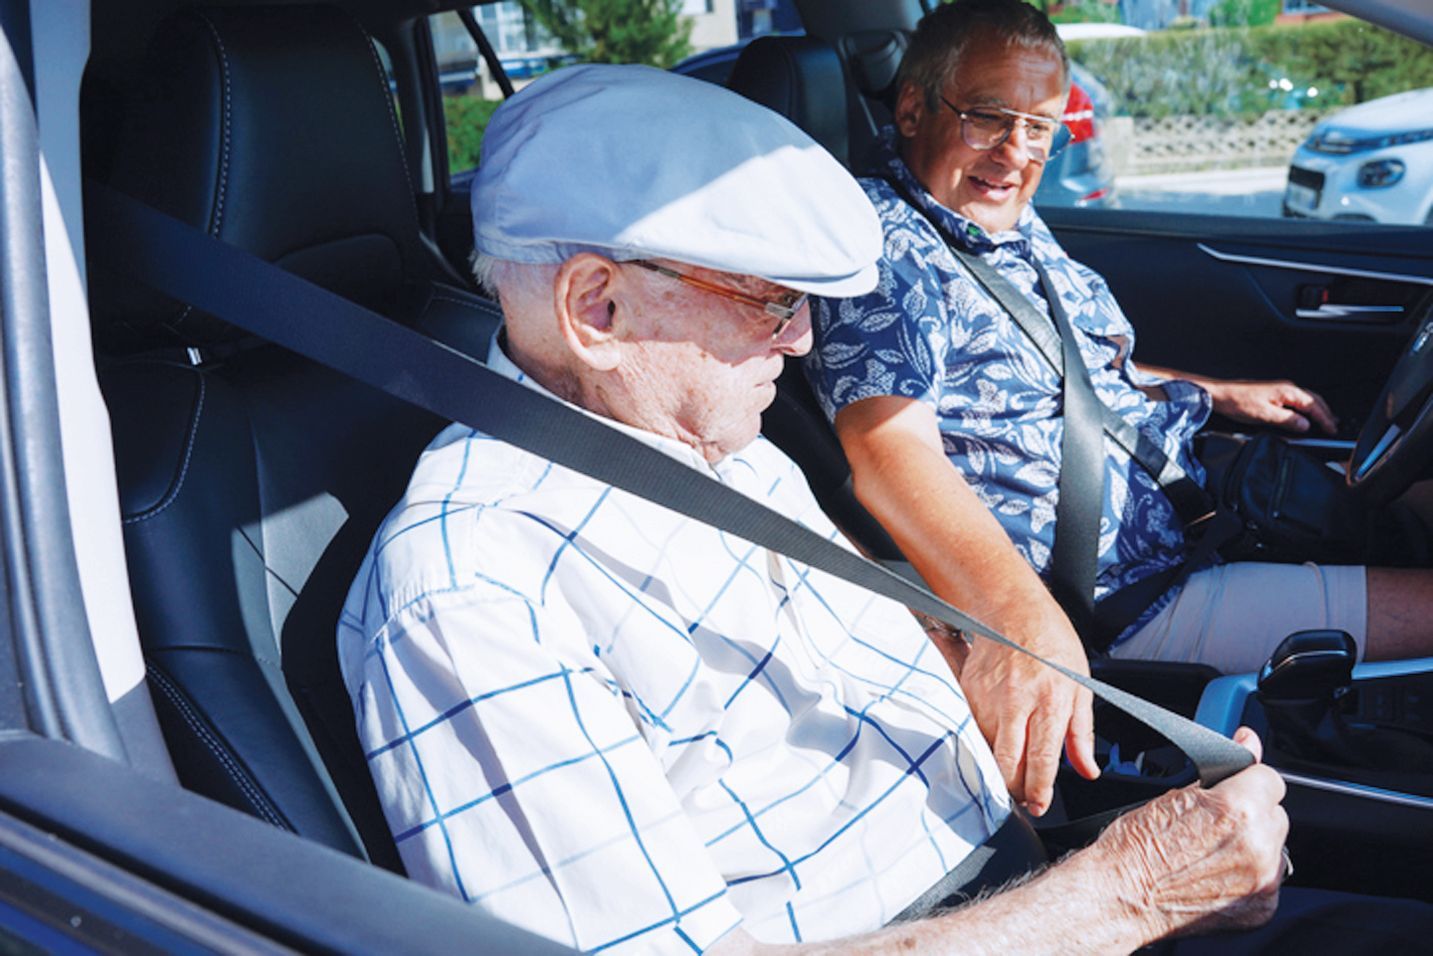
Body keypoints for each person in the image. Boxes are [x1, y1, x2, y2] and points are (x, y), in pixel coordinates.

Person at [338, 63, 1433, 954]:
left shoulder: (724, 453)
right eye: (772, 300)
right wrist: (1130, 891)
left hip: (1025, 883)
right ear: (597, 306)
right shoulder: (473, 588)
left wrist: (989, 658)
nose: (804, 340)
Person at [804, 0, 1433, 819]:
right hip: (1131, 599)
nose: (1015, 152)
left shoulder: (991, 217)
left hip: (1189, 505)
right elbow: (889, 448)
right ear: (914, 108)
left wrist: (1215, 393)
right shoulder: (887, 250)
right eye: (987, 117)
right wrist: (1023, 621)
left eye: (1038, 127)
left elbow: (1071, 365)